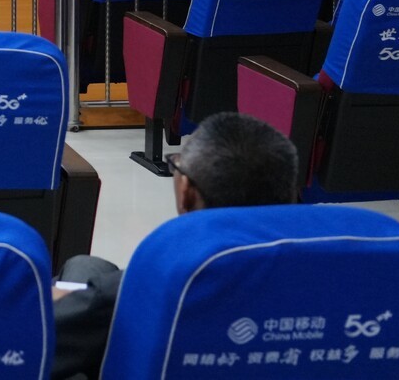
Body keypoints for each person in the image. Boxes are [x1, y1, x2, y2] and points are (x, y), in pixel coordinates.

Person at [52, 112, 299, 380]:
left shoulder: (155, 283)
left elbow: (36, 339)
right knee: (86, 266)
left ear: (186, 192)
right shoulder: (323, 272)